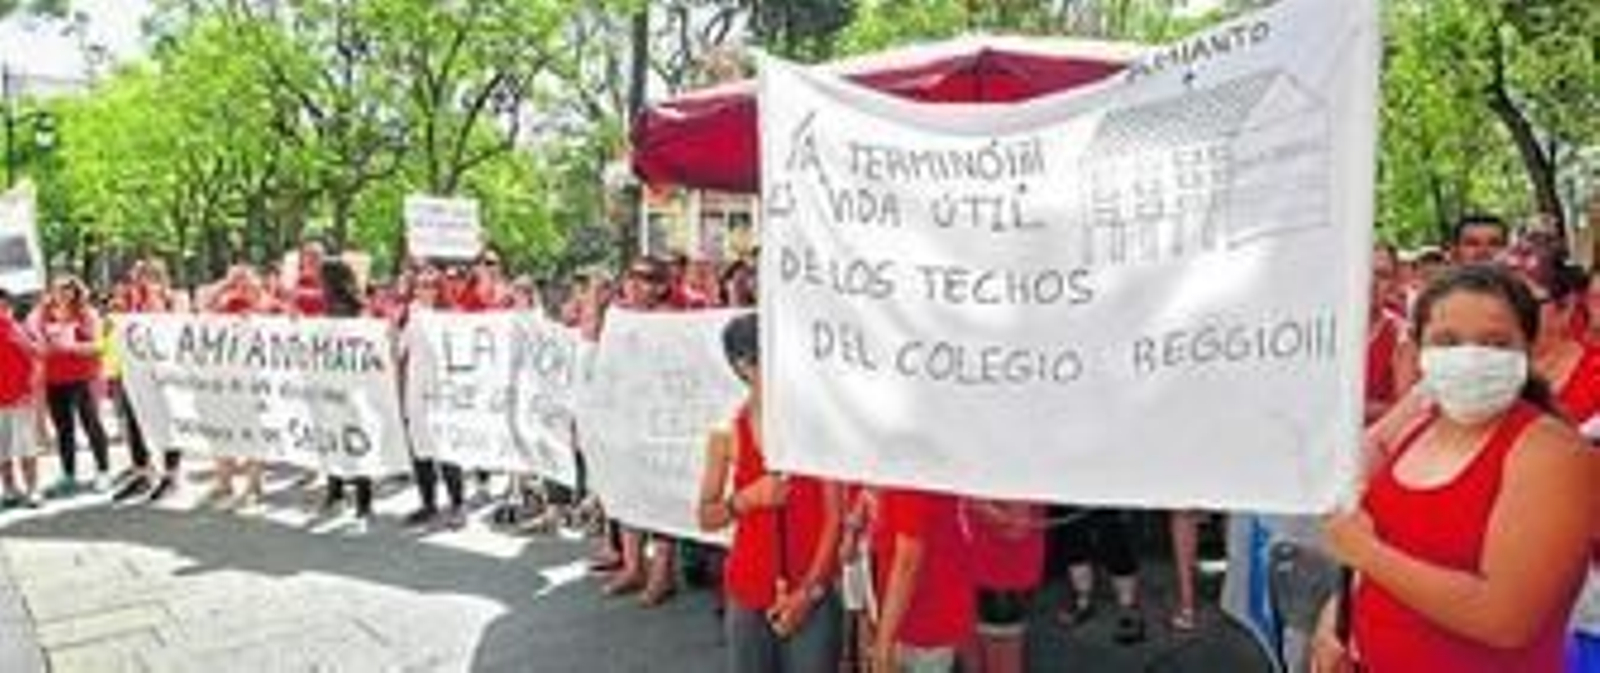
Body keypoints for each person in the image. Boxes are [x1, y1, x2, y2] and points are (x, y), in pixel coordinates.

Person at [1315, 264, 1595, 672]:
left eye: (1495, 342)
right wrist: (1336, 620)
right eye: (1447, 341)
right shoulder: (1416, 427)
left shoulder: (1553, 454)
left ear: (1527, 346)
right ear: (1419, 348)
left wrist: (1368, 555)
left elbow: (1506, 618)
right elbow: (1378, 543)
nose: (1470, 357)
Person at [696, 313, 843, 672]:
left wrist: (807, 594)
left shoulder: (817, 423)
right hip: (747, 591)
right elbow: (706, 517)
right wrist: (746, 499)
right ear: (744, 366)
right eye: (771, 358)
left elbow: (836, 517)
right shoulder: (726, 432)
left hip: (812, 592)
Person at [603, 257, 682, 606]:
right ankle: (634, 566)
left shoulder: (672, 321)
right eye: (632, 276)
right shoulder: (617, 317)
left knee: (661, 493)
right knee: (627, 489)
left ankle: (662, 573)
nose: (637, 283)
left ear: (663, 286)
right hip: (624, 415)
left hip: (659, 418)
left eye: (648, 278)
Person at [869, 485, 974, 672]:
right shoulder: (918, 473)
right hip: (926, 616)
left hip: (923, 620)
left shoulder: (911, 477)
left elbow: (908, 560)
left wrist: (884, 640)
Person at [31, 275, 110, 497]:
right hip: (54, 379)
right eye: (59, 290)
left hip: (82, 377)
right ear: (52, 292)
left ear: (77, 292)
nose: (64, 294)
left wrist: (73, 346)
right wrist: (42, 347)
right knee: (63, 428)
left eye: (69, 290)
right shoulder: (42, 314)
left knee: (91, 423)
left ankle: (103, 471)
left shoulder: (87, 314)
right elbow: (34, 339)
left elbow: (98, 345)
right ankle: (68, 473)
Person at [112, 261, 184, 502]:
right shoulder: (128, 299)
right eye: (137, 274)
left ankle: (171, 474)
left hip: (164, 370)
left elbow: (180, 326)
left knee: (166, 421)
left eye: (147, 274)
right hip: (134, 370)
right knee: (134, 420)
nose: (141, 278)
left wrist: (154, 298)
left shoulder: (175, 297)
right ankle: (142, 472)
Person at [320, 258, 377, 532]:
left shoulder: (351, 308)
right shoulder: (344, 305)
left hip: (351, 383)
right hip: (336, 381)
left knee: (351, 438)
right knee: (336, 437)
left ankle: (359, 500)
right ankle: (338, 493)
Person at [960, 499, 1044, 673]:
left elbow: (1017, 527)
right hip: (974, 572)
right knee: (973, 659)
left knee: (1000, 662)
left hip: (1000, 578)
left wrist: (972, 502)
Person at [0, 288, 43, 509]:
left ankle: (32, 489)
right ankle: (9, 489)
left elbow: (38, 356)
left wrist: (29, 392)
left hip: (21, 398)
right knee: (3, 449)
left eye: (4, 304)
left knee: (27, 447)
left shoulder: (20, 328)